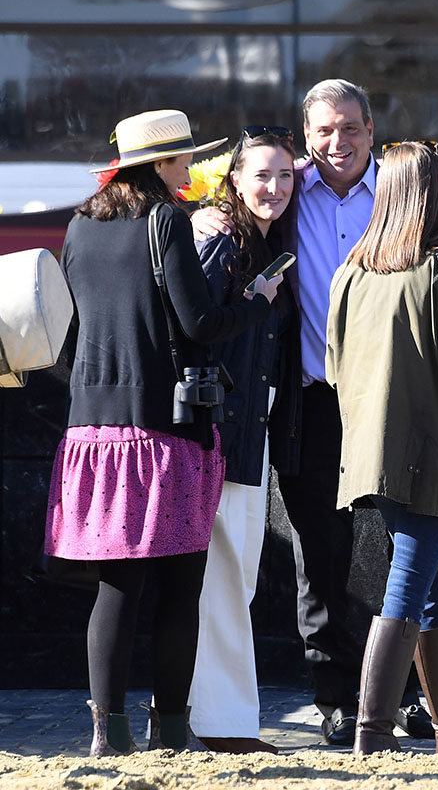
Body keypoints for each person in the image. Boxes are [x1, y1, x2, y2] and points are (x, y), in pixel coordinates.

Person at [191, 79, 432, 745]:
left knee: (406, 549)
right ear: (306, 135)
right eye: (324, 130)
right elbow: (239, 210)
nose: (338, 142)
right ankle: (334, 696)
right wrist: (200, 216)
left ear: (371, 127)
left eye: (350, 127)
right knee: (320, 558)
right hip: (313, 403)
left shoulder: (402, 189)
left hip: (395, 399)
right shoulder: (288, 188)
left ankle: (412, 693)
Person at [44, 109, 282, 757]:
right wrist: (257, 301)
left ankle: (106, 733)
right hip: (165, 433)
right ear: (162, 164)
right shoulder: (166, 221)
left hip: (92, 431)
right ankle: (172, 731)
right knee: (180, 586)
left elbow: (69, 326)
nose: (188, 170)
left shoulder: (80, 226)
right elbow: (199, 322)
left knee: (117, 587)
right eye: (182, 160)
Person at [326, 141, 438, 756]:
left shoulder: (350, 272)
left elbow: (335, 364)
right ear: (435, 197)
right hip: (432, 455)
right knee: (409, 586)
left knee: (430, 588)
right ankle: (373, 731)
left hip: (369, 455)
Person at [187, 126, 297, 754]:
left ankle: (213, 716)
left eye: (284, 176)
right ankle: (223, 724)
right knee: (225, 578)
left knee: (234, 578)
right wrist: (256, 302)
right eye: (261, 174)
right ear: (233, 177)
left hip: (243, 432)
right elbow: (194, 326)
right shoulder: (222, 241)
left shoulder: (258, 242)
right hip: (218, 435)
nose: (275, 187)